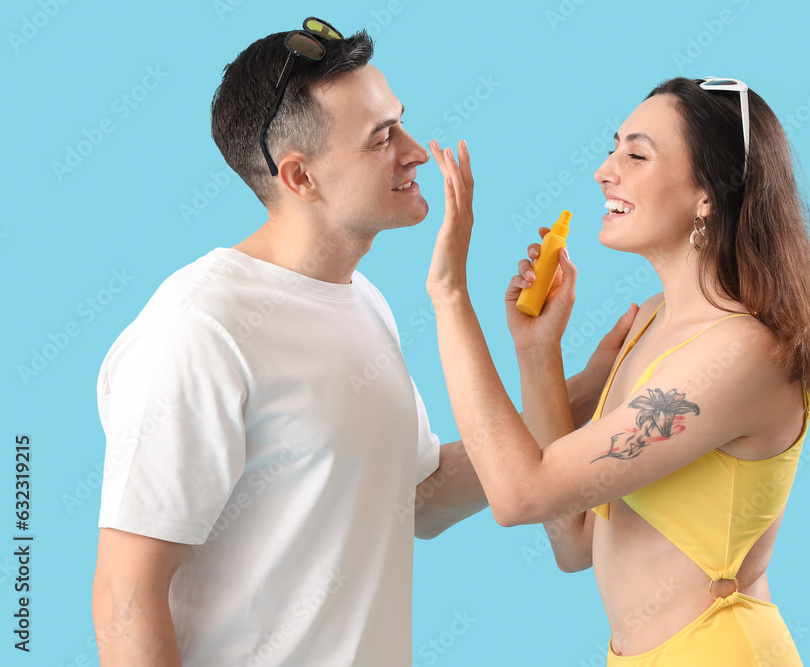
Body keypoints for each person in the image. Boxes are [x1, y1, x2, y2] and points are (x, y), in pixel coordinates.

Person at [90, 19, 628, 666]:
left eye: (399, 122)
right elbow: (126, 591)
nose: (416, 151)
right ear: (299, 177)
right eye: (382, 138)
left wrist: (589, 385)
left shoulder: (361, 299)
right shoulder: (199, 330)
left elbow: (420, 493)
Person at [425, 76, 810, 665]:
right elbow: (573, 539)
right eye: (613, 148)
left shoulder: (740, 355)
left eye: (637, 154)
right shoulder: (649, 325)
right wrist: (537, 351)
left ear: (708, 194)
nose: (605, 170)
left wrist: (451, 298)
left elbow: (520, 494)